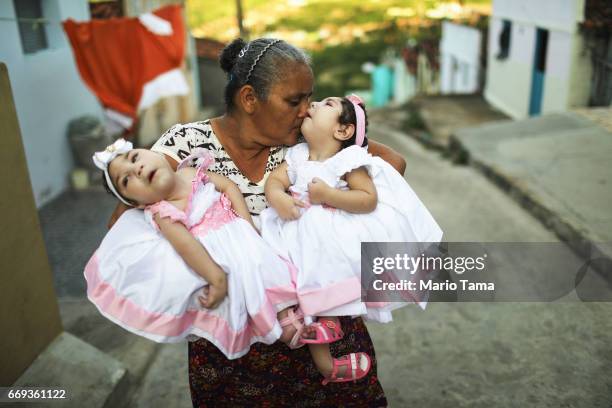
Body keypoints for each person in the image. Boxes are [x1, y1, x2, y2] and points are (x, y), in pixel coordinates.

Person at [108, 37, 406, 406]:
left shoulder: (305, 141)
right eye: (294, 101)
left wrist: (331, 208)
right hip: (232, 349)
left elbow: (393, 163)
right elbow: (126, 223)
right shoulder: (186, 144)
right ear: (249, 99)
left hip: (325, 329)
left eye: (309, 99)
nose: (306, 110)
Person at [87, 138, 372, 383]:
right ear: (136, 204)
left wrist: (247, 226)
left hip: (246, 236)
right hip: (227, 256)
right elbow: (188, 248)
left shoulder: (192, 172)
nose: (135, 169)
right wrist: (216, 278)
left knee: (289, 274)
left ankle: (321, 335)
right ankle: (307, 345)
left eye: (135, 157)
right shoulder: (162, 212)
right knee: (258, 288)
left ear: (156, 154)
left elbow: (230, 189)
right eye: (127, 180)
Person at [260, 94, 442, 384]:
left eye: (326, 105)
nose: (314, 105)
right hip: (294, 230)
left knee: (324, 282)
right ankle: (322, 359)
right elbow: (276, 180)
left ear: (342, 131)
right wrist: (278, 197)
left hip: (325, 237)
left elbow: (367, 199)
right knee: (280, 271)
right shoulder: (296, 154)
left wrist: (330, 196)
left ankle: (326, 341)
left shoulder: (348, 160)